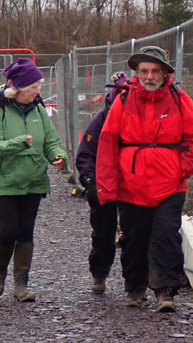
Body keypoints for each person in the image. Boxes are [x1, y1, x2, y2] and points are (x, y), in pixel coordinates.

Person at [96, 46, 193, 312]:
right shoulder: (122, 102)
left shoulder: (181, 100)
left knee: (166, 235)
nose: (149, 76)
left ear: (166, 73)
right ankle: (135, 288)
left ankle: (165, 291)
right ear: (136, 72)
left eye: (155, 71)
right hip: (131, 185)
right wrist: (107, 188)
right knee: (133, 238)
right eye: (144, 71)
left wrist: (181, 171)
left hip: (170, 185)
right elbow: (108, 144)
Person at [0, 58, 67, 302]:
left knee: (26, 231)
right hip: (3, 181)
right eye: (33, 87)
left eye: (38, 86)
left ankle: (21, 285)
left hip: (32, 181)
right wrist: (20, 142)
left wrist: (59, 156)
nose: (38, 91)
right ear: (16, 88)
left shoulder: (38, 109)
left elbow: (51, 140)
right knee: (10, 229)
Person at [75, 71, 128, 295]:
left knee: (134, 233)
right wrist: (90, 180)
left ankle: (134, 281)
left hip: (131, 183)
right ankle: (99, 274)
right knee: (103, 233)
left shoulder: (136, 117)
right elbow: (85, 154)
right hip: (103, 185)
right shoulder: (101, 121)